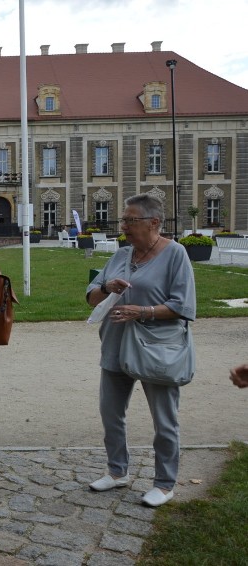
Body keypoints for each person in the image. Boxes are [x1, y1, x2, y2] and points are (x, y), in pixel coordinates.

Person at [86, 194, 196, 508]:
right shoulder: (121, 254)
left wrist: (142, 311)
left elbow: (183, 306)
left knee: (164, 421)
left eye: (129, 221)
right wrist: (108, 288)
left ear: (154, 223)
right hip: (116, 346)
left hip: (158, 351)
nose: (123, 227)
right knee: (111, 414)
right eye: (123, 220)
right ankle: (117, 471)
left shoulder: (175, 255)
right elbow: (91, 295)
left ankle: (164, 483)